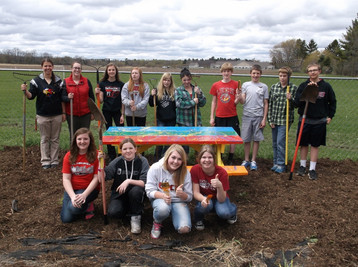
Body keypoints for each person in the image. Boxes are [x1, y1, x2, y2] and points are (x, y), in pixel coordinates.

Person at [21, 58, 71, 169]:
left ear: (52, 67)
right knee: (44, 138)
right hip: (42, 115)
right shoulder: (36, 81)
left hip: (56, 114)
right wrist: (25, 92)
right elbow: (31, 96)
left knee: (55, 139)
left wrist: (64, 109)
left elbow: (62, 97)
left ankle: (54, 160)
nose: (47, 68)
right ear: (42, 67)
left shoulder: (58, 81)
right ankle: (45, 161)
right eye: (45, 66)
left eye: (49, 66)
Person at [294, 63, 336, 180]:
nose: (312, 72)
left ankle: (312, 169)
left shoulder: (326, 86)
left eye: (315, 70)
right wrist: (309, 90)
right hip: (305, 120)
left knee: (315, 145)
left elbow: (332, 102)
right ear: (308, 73)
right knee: (303, 144)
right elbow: (297, 103)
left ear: (319, 71)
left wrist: (330, 116)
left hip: (319, 121)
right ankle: (302, 166)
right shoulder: (303, 86)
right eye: (310, 71)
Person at [145, 144, 193, 239]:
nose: (175, 162)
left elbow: (190, 197)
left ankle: (175, 215)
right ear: (167, 156)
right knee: (163, 209)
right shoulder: (156, 168)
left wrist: (183, 195)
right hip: (161, 199)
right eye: (173, 157)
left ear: (183, 161)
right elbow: (149, 191)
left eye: (179, 159)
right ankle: (157, 221)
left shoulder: (185, 172)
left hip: (178, 201)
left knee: (184, 229)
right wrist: (162, 196)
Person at [104, 138, 149, 234]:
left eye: (130, 148)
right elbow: (105, 176)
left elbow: (144, 182)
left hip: (136, 192)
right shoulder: (117, 161)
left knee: (136, 191)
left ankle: (136, 216)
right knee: (113, 213)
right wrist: (101, 165)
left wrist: (128, 181)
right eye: (124, 149)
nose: (128, 151)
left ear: (135, 149)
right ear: (121, 150)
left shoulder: (142, 161)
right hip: (119, 194)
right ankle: (128, 209)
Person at [190, 145, 237, 230]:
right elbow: (196, 192)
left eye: (210, 157)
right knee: (205, 205)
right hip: (205, 196)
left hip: (219, 197)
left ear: (214, 159)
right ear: (199, 159)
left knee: (224, 213)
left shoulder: (222, 173)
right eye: (204, 157)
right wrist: (202, 199)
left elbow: (222, 199)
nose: (207, 160)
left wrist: (219, 186)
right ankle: (198, 219)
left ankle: (232, 211)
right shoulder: (195, 170)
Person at [60, 128, 100, 223]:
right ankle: (75, 204)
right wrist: (73, 196)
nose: (82, 142)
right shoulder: (69, 156)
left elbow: (96, 178)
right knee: (66, 219)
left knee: (74, 209)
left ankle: (88, 204)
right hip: (72, 189)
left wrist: (84, 195)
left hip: (88, 189)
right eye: (79, 139)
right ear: (75, 141)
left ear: (90, 140)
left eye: (85, 139)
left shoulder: (97, 155)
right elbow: (66, 179)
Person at [238, 64, 268, 171]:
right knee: (246, 138)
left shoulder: (264, 86)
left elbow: (265, 103)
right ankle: (246, 160)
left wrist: (264, 118)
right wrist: (239, 96)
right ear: (250, 74)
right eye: (254, 73)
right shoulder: (246, 85)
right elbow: (242, 101)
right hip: (247, 115)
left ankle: (253, 160)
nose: (255, 75)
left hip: (258, 116)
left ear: (260, 74)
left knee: (256, 139)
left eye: (258, 73)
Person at [210, 62, 241, 164]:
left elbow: (237, 102)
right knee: (219, 138)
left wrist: (238, 96)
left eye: (228, 71)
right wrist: (211, 117)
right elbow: (214, 101)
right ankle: (220, 156)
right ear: (221, 72)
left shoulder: (236, 84)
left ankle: (230, 158)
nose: (226, 73)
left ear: (231, 72)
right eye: (224, 71)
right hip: (220, 116)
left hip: (232, 115)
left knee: (232, 138)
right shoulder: (216, 85)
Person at [268, 67, 298, 173]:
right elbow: (270, 104)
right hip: (275, 119)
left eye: (284, 76)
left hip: (285, 120)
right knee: (275, 142)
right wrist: (270, 119)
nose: (282, 78)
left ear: (289, 76)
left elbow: (296, 105)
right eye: (280, 76)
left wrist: (291, 99)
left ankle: (281, 163)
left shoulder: (293, 88)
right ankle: (275, 162)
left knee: (281, 142)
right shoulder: (274, 87)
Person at [95, 63, 125, 161]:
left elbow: (123, 101)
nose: (111, 71)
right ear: (107, 72)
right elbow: (101, 100)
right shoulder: (103, 84)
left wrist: (122, 114)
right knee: (109, 133)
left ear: (116, 71)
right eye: (109, 70)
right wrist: (97, 93)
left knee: (121, 132)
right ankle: (111, 155)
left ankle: (121, 153)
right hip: (106, 111)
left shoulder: (121, 84)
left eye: (113, 70)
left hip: (117, 111)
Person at [175, 67, 206, 154]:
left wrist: (199, 94)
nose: (187, 82)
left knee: (198, 143)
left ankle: (198, 160)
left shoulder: (196, 89)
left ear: (191, 79)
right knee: (185, 145)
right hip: (184, 121)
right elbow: (179, 104)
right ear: (181, 79)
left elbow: (203, 103)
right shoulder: (178, 90)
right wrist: (192, 102)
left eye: (188, 79)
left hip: (196, 120)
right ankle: (185, 161)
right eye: (184, 80)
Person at [61, 61, 95, 138]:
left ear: (81, 70)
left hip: (85, 114)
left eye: (79, 68)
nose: (77, 70)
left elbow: (91, 98)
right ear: (71, 69)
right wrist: (68, 97)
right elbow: (62, 97)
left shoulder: (86, 81)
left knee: (85, 135)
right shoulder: (66, 81)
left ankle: (85, 150)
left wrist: (93, 112)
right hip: (72, 115)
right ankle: (74, 150)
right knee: (73, 135)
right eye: (75, 68)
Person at [149, 72, 176, 158]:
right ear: (162, 81)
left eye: (168, 80)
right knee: (159, 139)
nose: (166, 82)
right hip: (160, 119)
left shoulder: (174, 92)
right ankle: (157, 156)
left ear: (171, 82)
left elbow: (176, 105)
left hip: (171, 119)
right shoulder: (157, 91)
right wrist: (152, 95)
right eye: (164, 80)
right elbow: (151, 104)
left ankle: (165, 157)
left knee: (168, 140)